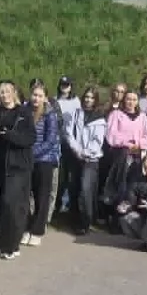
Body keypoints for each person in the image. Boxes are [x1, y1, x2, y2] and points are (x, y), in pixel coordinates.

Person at [0, 81, 36, 260]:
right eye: (1, 92)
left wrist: (10, 136)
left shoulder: (23, 112)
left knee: (13, 206)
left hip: (19, 166)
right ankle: (6, 242)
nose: (4, 95)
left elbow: (30, 138)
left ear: (14, 93)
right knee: (2, 205)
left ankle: (8, 245)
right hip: (1, 165)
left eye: (8, 91)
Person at [103, 90, 147, 225]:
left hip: (137, 156)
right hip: (120, 155)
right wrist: (126, 144)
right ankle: (114, 219)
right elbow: (111, 134)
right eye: (128, 99)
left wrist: (139, 145)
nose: (131, 102)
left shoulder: (142, 117)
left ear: (137, 102)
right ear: (123, 100)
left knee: (132, 187)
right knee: (119, 185)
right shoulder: (116, 115)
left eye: (134, 99)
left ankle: (127, 218)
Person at [24, 81, 60, 247]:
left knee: (42, 196)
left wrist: (32, 153)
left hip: (45, 159)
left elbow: (50, 140)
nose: (36, 98)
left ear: (45, 98)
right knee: (25, 195)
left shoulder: (50, 114)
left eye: (40, 95)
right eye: (34, 95)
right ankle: (26, 227)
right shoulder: (25, 111)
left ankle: (38, 230)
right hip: (27, 159)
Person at [67, 87, 107, 235]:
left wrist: (86, 153)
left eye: (91, 98)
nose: (88, 100)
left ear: (95, 100)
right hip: (76, 156)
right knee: (74, 188)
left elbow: (98, 141)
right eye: (86, 97)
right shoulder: (76, 113)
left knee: (86, 190)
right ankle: (74, 219)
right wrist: (77, 150)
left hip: (91, 159)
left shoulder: (99, 118)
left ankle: (86, 221)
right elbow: (69, 133)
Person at [54, 76, 81, 214]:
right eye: (63, 84)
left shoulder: (76, 102)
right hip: (58, 141)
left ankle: (70, 205)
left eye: (67, 85)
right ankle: (57, 204)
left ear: (71, 86)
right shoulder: (55, 100)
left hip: (71, 142)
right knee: (60, 175)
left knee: (72, 175)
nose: (65, 87)